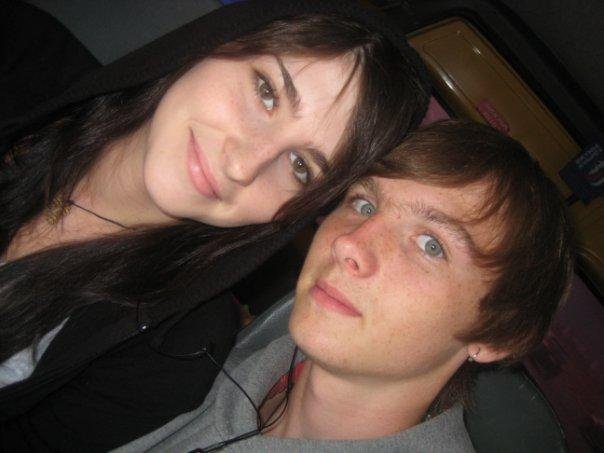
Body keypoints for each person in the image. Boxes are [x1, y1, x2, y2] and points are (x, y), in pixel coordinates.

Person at [0, 0, 431, 450]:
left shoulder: (174, 352)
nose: (243, 165)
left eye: (300, 166)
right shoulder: (19, 57)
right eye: (266, 92)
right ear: (215, 40)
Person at [118, 120, 573, 452]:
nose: (349, 244)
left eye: (431, 245)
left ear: (498, 334)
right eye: (364, 203)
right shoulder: (241, 358)